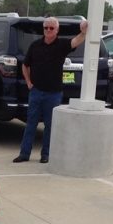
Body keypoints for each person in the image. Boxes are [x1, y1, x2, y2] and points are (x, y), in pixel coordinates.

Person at [13, 17, 88, 164]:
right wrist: (29, 83)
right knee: (31, 124)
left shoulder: (62, 45)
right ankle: (24, 153)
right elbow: (25, 65)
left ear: (57, 30)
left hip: (53, 93)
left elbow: (75, 41)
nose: (48, 30)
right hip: (36, 92)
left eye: (51, 28)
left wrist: (83, 33)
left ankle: (45, 154)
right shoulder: (35, 45)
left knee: (50, 125)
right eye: (46, 27)